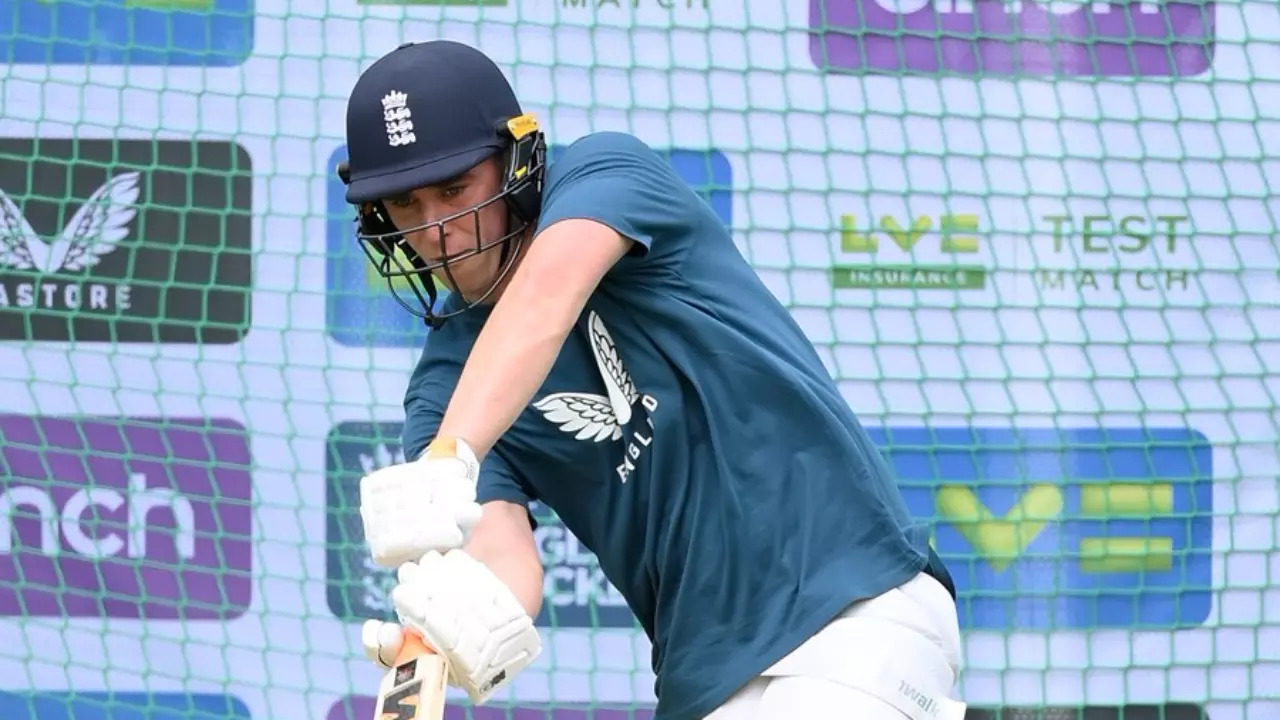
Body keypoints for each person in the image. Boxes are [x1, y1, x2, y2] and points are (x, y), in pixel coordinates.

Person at [341, 39, 967, 720]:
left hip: (854, 607)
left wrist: (449, 456)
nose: (436, 229)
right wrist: (457, 618)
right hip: (704, 676)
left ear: (517, 164)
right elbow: (502, 551)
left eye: (455, 188)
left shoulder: (605, 174)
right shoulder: (441, 393)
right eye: (406, 204)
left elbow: (546, 298)